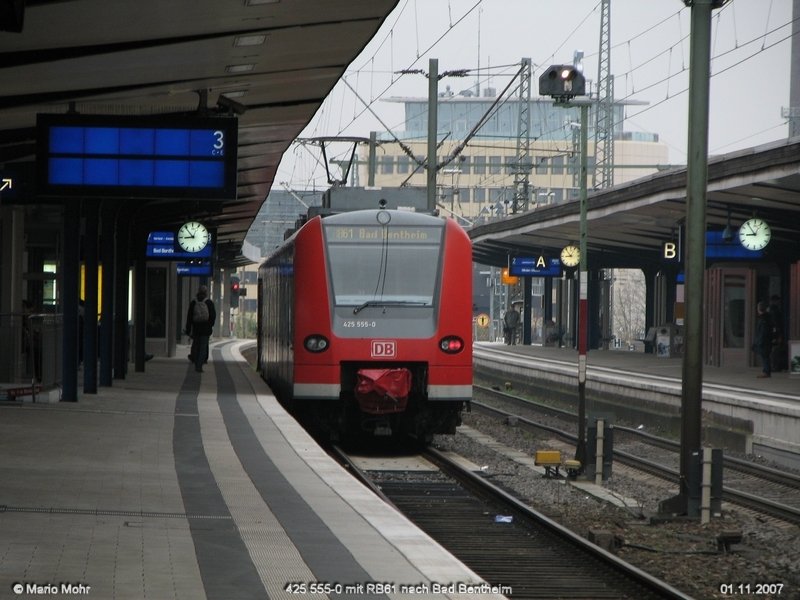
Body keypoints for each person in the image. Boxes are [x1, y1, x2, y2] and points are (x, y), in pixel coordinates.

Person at [185, 285, 216, 373]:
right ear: (206, 292)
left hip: (196, 329)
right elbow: (213, 316)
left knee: (196, 346)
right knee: (203, 348)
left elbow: (189, 317)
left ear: (198, 291)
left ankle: (195, 361)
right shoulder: (209, 303)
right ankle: (199, 366)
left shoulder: (193, 303)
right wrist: (210, 326)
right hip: (205, 330)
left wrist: (188, 329)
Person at [753, 300, 773, 379]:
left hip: (764, 341)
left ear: (759, 309)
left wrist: (759, 342)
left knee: (765, 356)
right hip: (767, 340)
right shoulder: (768, 317)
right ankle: (766, 371)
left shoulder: (763, 319)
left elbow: (763, 332)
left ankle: (766, 372)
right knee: (765, 356)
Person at [769, 294, 786, 372]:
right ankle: (775, 366)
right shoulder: (774, 310)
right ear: (775, 301)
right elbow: (776, 323)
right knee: (776, 350)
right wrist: (778, 335)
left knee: (775, 350)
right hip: (776, 333)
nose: (779, 302)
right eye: (778, 301)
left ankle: (776, 366)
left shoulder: (771, 310)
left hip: (774, 333)